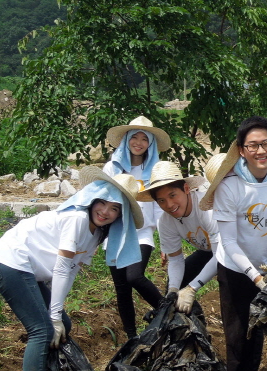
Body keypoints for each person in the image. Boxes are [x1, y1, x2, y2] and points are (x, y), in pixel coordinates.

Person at [0, 166, 144, 371]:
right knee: (42, 331)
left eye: (114, 208)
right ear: (93, 200)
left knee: (63, 325)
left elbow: (71, 271)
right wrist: (53, 317)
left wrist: (57, 314)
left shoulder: (96, 234)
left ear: (120, 215)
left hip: (27, 270)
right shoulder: (77, 219)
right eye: (102, 203)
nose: (105, 212)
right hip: (10, 262)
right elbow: (61, 269)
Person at [199, 116, 267, 371]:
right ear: (242, 150)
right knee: (240, 341)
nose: (261, 151)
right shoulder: (229, 187)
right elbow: (227, 241)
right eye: (252, 145)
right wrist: (256, 278)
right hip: (237, 270)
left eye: (266, 143)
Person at [103, 115, 171, 339]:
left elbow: (161, 207)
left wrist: (166, 242)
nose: (139, 142)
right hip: (115, 233)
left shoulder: (155, 171)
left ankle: (167, 310)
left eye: (145, 139)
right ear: (126, 140)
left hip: (142, 234)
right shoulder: (112, 168)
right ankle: (131, 337)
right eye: (135, 137)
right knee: (122, 289)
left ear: (150, 144)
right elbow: (100, 200)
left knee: (134, 277)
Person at [136, 159, 218, 314]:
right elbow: (175, 259)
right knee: (174, 289)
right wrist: (173, 290)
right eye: (161, 200)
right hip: (208, 250)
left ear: (186, 189)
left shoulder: (206, 208)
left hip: (235, 249)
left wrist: (192, 288)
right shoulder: (166, 221)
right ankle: (189, 327)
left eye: (172, 195)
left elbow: (221, 255)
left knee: (232, 287)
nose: (169, 204)